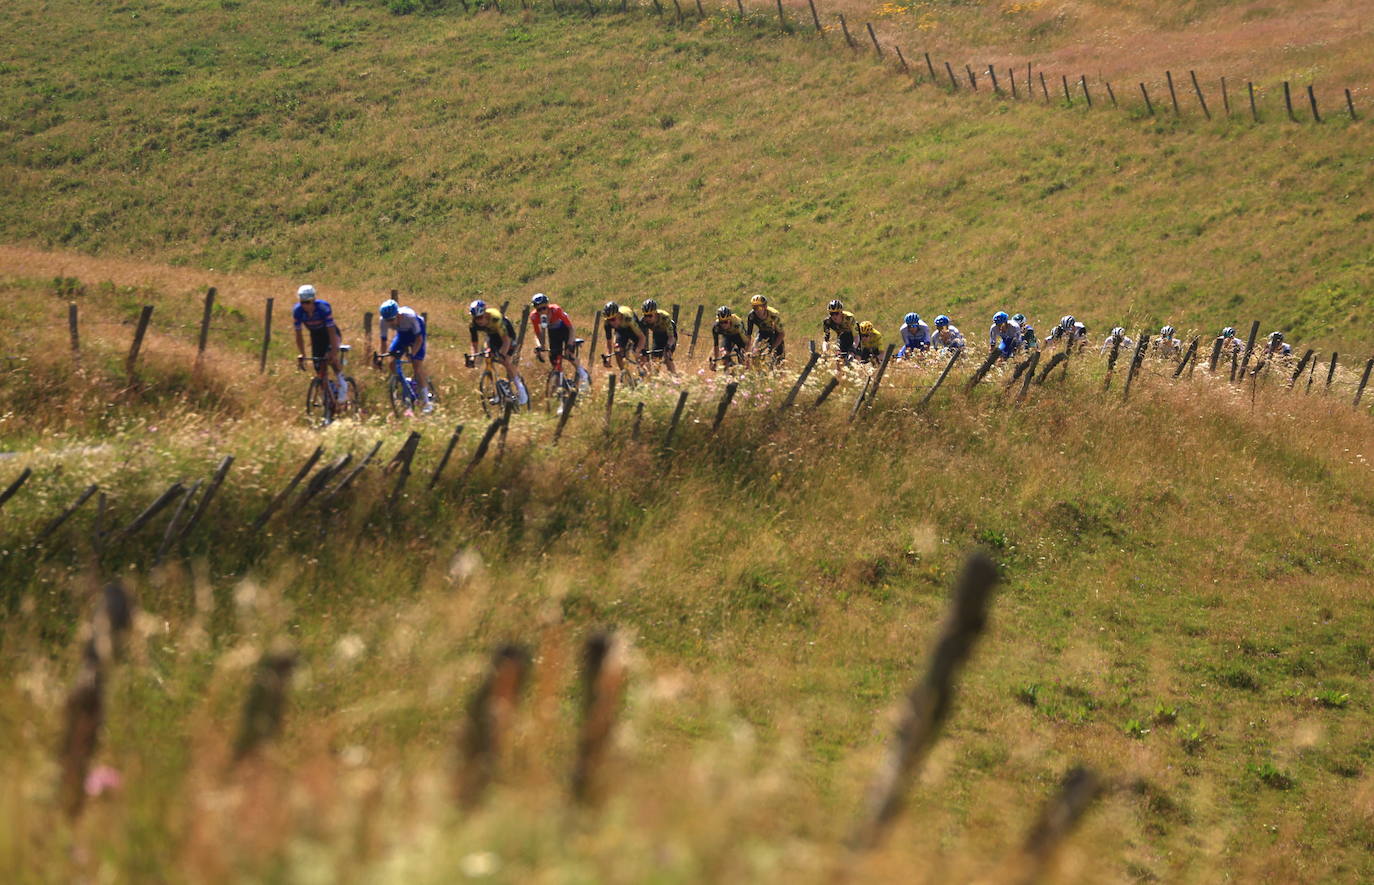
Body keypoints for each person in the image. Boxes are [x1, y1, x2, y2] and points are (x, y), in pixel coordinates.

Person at [292, 285, 347, 403]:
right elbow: (298, 335)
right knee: (318, 368)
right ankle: (329, 398)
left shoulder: (323, 307)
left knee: (330, 358)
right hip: (316, 336)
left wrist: (333, 351)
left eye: (308, 302)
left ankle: (342, 382)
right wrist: (302, 354)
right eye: (302, 302)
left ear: (313, 300)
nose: (305, 306)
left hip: (329, 334)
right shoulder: (297, 311)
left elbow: (331, 331)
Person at [378, 299, 432, 413]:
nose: (390, 323)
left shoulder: (410, 316)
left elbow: (419, 339)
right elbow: (383, 342)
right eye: (388, 321)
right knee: (392, 362)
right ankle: (405, 384)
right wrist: (381, 357)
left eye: (392, 319)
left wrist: (413, 354)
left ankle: (427, 402)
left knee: (417, 365)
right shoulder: (383, 321)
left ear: (398, 314)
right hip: (402, 335)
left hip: (417, 334)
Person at [468, 299, 526, 403]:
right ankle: (496, 392)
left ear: (485, 314)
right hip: (493, 336)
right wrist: (473, 357)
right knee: (488, 357)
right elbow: (474, 343)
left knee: (506, 361)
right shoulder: (473, 325)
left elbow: (506, 340)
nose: (479, 321)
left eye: (480, 317)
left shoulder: (495, 318)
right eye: (476, 318)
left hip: (508, 336)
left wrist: (502, 355)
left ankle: (521, 389)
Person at [530, 293, 589, 387]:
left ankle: (584, 375)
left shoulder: (556, 310)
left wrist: (569, 345)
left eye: (544, 308)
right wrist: (539, 346)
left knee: (569, 355)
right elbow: (538, 334)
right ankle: (562, 382)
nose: (541, 311)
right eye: (538, 309)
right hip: (553, 332)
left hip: (564, 328)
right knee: (554, 359)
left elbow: (571, 328)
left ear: (548, 306)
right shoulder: (534, 316)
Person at [602, 301, 646, 374]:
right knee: (617, 350)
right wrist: (608, 359)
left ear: (618, 315)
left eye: (613, 319)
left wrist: (638, 351)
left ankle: (644, 374)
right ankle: (625, 375)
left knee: (640, 353)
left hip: (631, 328)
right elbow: (609, 343)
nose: (611, 323)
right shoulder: (607, 323)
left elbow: (642, 338)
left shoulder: (628, 318)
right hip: (620, 330)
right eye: (609, 320)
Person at [637, 298, 678, 373]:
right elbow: (642, 338)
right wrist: (643, 350)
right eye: (645, 315)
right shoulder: (643, 321)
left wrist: (668, 347)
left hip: (669, 335)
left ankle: (674, 377)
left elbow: (671, 337)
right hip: (658, 335)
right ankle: (656, 378)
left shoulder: (664, 317)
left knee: (667, 356)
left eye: (650, 316)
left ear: (655, 313)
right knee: (655, 358)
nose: (647, 318)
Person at [745, 295, 785, 365]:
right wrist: (747, 351)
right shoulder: (751, 315)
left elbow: (781, 334)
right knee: (755, 353)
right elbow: (749, 334)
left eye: (759, 307)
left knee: (779, 361)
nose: (757, 310)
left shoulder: (774, 315)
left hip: (775, 334)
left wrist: (773, 347)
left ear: (765, 307)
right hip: (763, 333)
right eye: (754, 307)